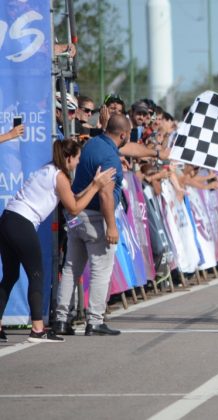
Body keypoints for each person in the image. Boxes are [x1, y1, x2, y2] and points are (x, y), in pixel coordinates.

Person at [0, 139, 115, 343]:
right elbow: (74, 208)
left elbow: (71, 197)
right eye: (77, 159)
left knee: (10, 276)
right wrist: (96, 187)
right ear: (69, 158)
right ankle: (37, 329)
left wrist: (92, 184)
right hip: (22, 222)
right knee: (37, 274)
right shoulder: (60, 176)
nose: (79, 163)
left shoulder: (49, 169)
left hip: (8, 219)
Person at [54, 114, 130, 337]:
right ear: (123, 135)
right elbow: (106, 195)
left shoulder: (94, 143)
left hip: (76, 215)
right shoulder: (110, 159)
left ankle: (61, 319)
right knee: (100, 270)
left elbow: (131, 149)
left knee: (71, 267)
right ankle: (95, 321)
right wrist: (112, 227)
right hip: (95, 217)